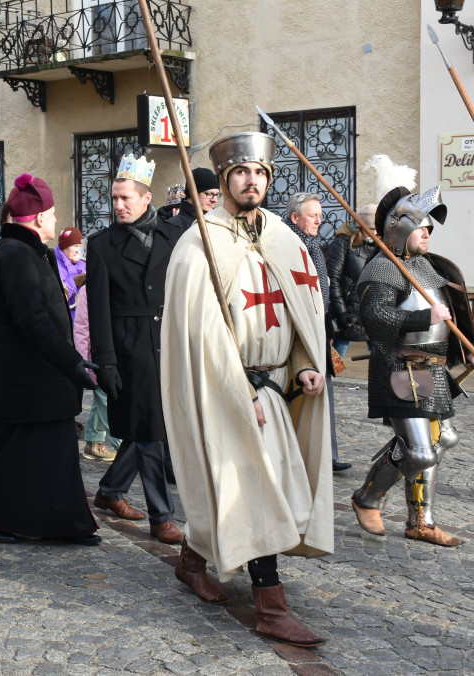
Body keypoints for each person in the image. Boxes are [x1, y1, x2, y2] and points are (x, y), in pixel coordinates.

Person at [161, 132, 332, 648]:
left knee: (260, 486)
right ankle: (270, 607)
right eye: (240, 172)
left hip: (279, 389)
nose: (250, 180)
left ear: (268, 179)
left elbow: (301, 311)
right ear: (225, 181)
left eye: (258, 172)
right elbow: (203, 336)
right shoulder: (200, 245)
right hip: (234, 388)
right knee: (256, 491)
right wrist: (240, 390)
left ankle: (193, 557)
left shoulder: (284, 239)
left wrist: (304, 363)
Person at [0, 173, 99, 545]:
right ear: (39, 217)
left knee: (50, 455)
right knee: (8, 454)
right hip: (25, 378)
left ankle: (59, 522)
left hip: (41, 379)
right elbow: (33, 320)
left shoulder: (25, 250)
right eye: (53, 213)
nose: (56, 220)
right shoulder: (16, 253)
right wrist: (71, 363)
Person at [350, 184, 472, 547]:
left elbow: (451, 314)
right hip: (400, 369)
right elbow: (374, 316)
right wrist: (423, 318)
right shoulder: (385, 268)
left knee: (444, 439)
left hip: (432, 369)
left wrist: (465, 350)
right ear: (399, 228)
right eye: (422, 227)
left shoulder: (426, 267)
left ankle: (421, 521)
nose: (428, 234)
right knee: (419, 451)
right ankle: (367, 497)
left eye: (430, 229)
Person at [85, 153, 184, 544]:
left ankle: (110, 492)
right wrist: (105, 360)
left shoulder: (174, 236)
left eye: (126, 198)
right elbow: (99, 311)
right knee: (150, 434)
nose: (118, 205)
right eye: (114, 198)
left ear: (146, 198)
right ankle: (162, 515)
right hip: (130, 348)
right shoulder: (102, 245)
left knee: (149, 427)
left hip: (169, 344)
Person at [283, 192, 350, 473]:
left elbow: (321, 291)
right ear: (295, 217)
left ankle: (324, 454)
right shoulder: (285, 246)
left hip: (319, 326)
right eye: (314, 215)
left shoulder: (313, 245)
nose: (319, 221)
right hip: (293, 331)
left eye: (321, 215)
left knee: (323, 387)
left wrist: (327, 326)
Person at [72, 278, 119, 462]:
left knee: (102, 398)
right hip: (96, 356)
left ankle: (93, 441)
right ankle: (124, 446)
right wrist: (83, 360)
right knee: (107, 399)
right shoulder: (89, 289)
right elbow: (82, 327)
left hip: (110, 353)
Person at [326, 203, 377, 358]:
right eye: (372, 228)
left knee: (383, 363)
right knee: (334, 360)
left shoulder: (381, 246)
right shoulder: (342, 243)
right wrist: (341, 313)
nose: (376, 232)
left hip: (373, 312)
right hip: (348, 313)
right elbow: (333, 280)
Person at [157, 167, 221, 231]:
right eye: (209, 194)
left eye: (217, 194)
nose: (215, 200)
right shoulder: (174, 227)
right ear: (193, 194)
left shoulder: (218, 223)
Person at [55, 226, 84, 322]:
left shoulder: (83, 262)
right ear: (64, 247)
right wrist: (76, 280)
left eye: (80, 247)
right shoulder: (54, 265)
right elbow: (58, 297)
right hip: (67, 319)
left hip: (83, 318)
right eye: (75, 246)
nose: (78, 250)